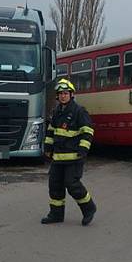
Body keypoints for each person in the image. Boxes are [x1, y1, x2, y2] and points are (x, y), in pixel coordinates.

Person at [41, 78, 96, 226]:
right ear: (57, 96)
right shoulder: (57, 112)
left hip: (74, 157)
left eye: (66, 93)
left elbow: (88, 131)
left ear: (71, 94)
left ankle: (89, 208)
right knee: (55, 185)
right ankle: (56, 214)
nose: (63, 96)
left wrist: (83, 149)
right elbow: (51, 132)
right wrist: (47, 148)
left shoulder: (79, 111)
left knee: (72, 185)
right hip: (58, 158)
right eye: (60, 94)